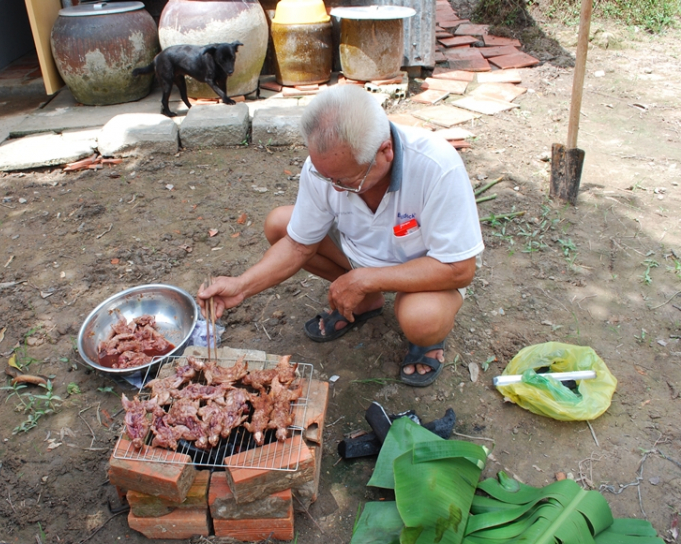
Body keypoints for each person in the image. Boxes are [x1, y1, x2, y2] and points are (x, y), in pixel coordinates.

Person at [197, 85, 483, 387]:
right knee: (281, 224)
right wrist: (241, 286)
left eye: (346, 179)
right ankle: (367, 301)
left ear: (385, 151)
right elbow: (297, 245)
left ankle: (425, 340)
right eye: (326, 177)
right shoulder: (326, 167)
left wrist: (366, 279)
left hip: (422, 271)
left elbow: (459, 269)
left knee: (422, 320)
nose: (333, 188)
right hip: (358, 254)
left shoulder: (436, 166)